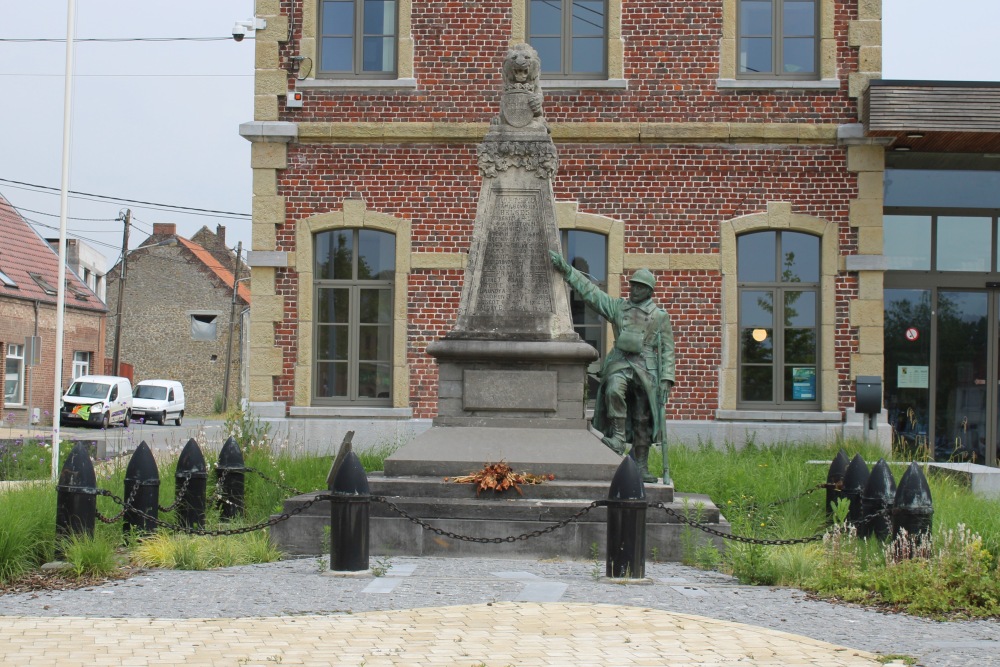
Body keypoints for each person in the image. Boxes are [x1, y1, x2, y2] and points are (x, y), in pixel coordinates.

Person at [549, 250, 675, 482]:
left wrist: (667, 378)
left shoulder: (659, 316)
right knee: (614, 388)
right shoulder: (618, 307)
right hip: (621, 363)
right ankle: (617, 437)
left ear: (648, 290)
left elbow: (667, 349)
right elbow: (592, 294)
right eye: (633, 285)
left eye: (639, 286)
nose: (633, 289)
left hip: (646, 370)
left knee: (642, 418)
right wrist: (567, 270)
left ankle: (642, 466)